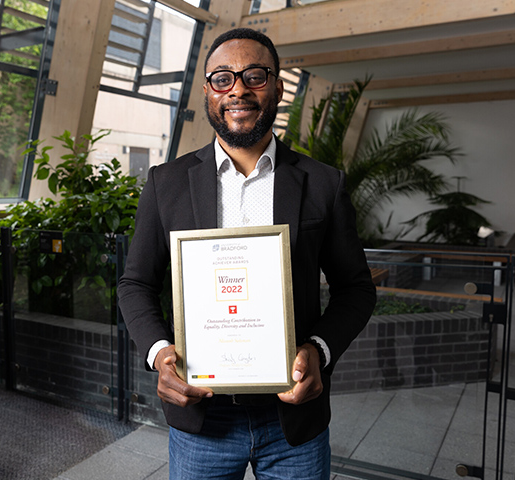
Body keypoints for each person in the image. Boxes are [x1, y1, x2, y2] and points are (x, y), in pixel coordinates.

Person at [118, 27, 376, 479]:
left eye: (254, 75)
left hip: (293, 420)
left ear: (277, 86)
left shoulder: (322, 184)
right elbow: (135, 283)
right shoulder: (166, 183)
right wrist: (160, 354)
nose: (238, 88)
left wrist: (318, 350)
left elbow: (355, 288)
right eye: (222, 78)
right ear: (207, 91)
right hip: (203, 419)